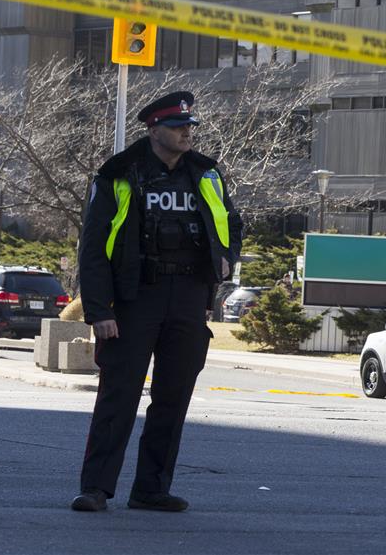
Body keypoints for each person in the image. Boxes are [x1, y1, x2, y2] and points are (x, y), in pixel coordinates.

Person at [71, 91, 242, 512]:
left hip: (187, 298)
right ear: (154, 131)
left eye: (190, 127)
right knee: (119, 397)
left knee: (173, 398)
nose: (187, 133)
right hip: (135, 299)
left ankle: (151, 488)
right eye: (178, 127)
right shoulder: (118, 173)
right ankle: (96, 488)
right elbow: (92, 249)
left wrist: (225, 260)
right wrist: (100, 311)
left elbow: (231, 224)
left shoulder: (206, 174)